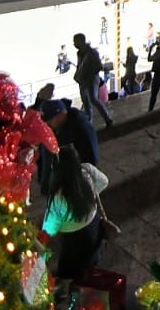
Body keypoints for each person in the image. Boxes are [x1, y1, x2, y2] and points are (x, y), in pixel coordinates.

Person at [41, 145, 109, 290]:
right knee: (90, 258)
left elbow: (49, 228)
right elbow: (104, 181)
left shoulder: (59, 196)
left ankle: (72, 290)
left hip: (73, 241)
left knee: (71, 269)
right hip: (93, 228)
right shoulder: (87, 171)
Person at [40, 98, 99, 174]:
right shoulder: (61, 124)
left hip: (82, 167)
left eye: (49, 122)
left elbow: (91, 152)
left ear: (60, 115)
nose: (48, 126)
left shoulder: (81, 126)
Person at [72, 33, 113, 128]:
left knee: (93, 99)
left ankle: (107, 118)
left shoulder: (92, 52)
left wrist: (87, 74)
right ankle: (89, 124)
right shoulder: (80, 53)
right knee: (86, 102)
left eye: (75, 42)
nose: (74, 44)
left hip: (92, 78)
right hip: (83, 79)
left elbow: (99, 66)